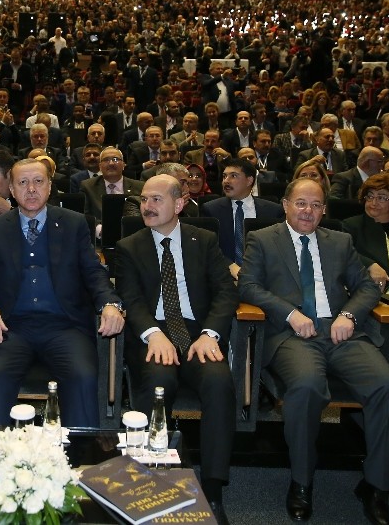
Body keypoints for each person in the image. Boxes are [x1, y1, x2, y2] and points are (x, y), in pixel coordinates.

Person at [238, 178, 389, 525]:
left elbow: (367, 287)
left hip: (341, 332)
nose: (307, 211)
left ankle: (376, 485)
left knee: (386, 385)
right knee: (307, 387)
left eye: (315, 205)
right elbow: (248, 285)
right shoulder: (263, 239)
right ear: (285, 205)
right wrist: (290, 313)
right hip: (292, 335)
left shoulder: (340, 241)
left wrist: (349, 315)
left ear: (325, 210)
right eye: (300, 203)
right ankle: (302, 480)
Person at [114, 174, 237, 524]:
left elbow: (225, 292)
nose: (147, 206)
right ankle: (152, 480)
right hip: (155, 332)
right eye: (144, 200)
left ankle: (212, 489)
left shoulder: (205, 241)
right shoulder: (129, 245)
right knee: (158, 385)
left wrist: (211, 334)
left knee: (218, 382)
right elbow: (130, 299)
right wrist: (152, 333)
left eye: (157, 199)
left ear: (179, 204)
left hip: (198, 332)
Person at [0, 159, 125, 426]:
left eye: (38, 182)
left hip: (64, 327)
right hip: (11, 327)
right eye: (23, 183)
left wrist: (110, 303)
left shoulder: (74, 223)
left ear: (50, 187)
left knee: (82, 375)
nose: (31, 189)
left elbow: (93, 272)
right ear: (12, 190)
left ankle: (79, 460)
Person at [203, 157, 283, 278]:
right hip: (225, 277)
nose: (226, 181)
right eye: (224, 176)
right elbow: (208, 248)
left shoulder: (273, 210)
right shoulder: (211, 209)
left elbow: (278, 249)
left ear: (249, 180)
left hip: (264, 276)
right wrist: (230, 266)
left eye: (233, 176)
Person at [342, 172, 389, 294]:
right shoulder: (351, 226)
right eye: (369, 196)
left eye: (381, 197)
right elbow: (343, 253)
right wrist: (370, 265)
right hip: (372, 294)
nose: (373, 203)